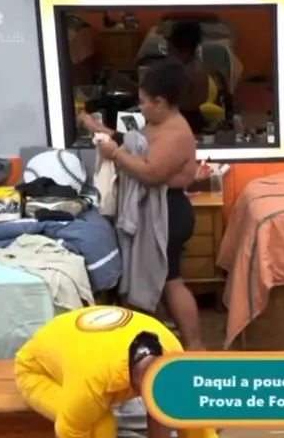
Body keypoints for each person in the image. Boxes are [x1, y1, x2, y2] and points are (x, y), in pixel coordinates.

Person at [79, 58, 206, 351]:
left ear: (160, 102)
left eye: (144, 101)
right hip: (157, 210)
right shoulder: (158, 124)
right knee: (158, 282)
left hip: (168, 213)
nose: (141, 107)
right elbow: (133, 142)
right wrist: (98, 128)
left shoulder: (175, 133)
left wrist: (114, 154)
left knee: (170, 280)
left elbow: (150, 172)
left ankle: (195, 346)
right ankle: (162, 344)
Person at [14, 305, 218, 438]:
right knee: (100, 425)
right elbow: (69, 430)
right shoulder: (92, 379)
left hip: (89, 342)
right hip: (37, 370)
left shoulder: (171, 351)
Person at [109, 21, 209, 134]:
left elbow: (164, 100)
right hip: (193, 118)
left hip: (186, 121)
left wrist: (128, 85)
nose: (168, 55)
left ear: (184, 51)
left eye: (171, 51)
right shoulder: (197, 66)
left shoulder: (186, 73)